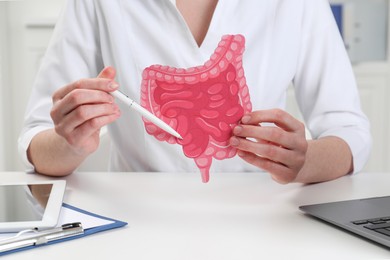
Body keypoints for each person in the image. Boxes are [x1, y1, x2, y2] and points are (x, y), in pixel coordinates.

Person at [18, 0, 371, 184]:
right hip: (136, 230)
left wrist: (304, 161)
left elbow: (350, 133)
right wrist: (69, 142)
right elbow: (36, 141)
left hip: (266, 225)